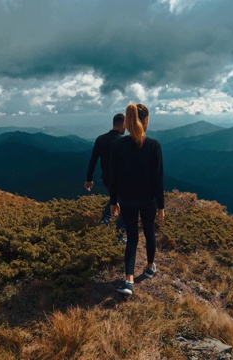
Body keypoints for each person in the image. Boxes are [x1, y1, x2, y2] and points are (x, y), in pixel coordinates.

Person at [109, 103, 165, 296]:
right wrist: (161, 206)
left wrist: (113, 201)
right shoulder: (153, 146)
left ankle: (128, 280)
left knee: (132, 238)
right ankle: (150, 267)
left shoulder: (118, 145)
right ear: (145, 120)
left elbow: (113, 176)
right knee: (149, 232)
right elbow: (158, 178)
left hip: (127, 199)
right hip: (148, 199)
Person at [85, 113, 126, 242]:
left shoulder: (100, 139)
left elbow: (93, 160)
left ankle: (104, 220)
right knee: (124, 203)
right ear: (122, 124)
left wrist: (89, 178)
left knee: (115, 198)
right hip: (121, 179)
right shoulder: (124, 141)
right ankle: (119, 236)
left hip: (107, 179)